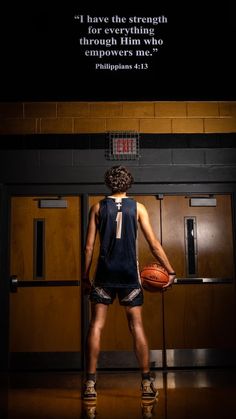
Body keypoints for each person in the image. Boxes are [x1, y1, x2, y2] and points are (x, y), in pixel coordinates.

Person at [82, 166, 176, 400]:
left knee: (96, 326)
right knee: (137, 327)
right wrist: (171, 271)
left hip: (104, 274)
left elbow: (88, 248)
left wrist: (85, 278)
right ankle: (145, 384)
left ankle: (90, 385)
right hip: (129, 276)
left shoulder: (97, 207)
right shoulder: (139, 208)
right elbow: (154, 244)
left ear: (108, 184)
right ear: (128, 184)